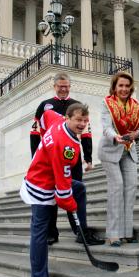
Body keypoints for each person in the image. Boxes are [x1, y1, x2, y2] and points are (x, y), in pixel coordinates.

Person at [30, 72, 103, 246]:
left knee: (75, 192)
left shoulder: (77, 106)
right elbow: (34, 133)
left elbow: (86, 132)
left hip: (72, 158)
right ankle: (51, 233)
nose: (63, 89)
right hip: (50, 159)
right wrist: (35, 158)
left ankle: (80, 231)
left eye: (66, 86)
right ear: (54, 86)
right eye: (60, 86)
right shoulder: (44, 106)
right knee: (50, 195)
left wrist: (88, 157)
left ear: (70, 87)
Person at [20, 103, 90, 277]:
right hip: (41, 185)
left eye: (85, 120)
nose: (82, 124)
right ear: (67, 118)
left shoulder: (56, 118)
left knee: (80, 188)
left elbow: (45, 114)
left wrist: (45, 141)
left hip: (46, 175)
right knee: (39, 233)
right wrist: (70, 204)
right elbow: (63, 188)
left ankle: (81, 230)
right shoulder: (66, 147)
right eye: (78, 120)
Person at [97, 71, 139, 247]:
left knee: (130, 189)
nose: (124, 89)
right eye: (120, 85)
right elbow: (106, 127)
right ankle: (113, 234)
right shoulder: (107, 103)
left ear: (131, 87)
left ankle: (126, 232)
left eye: (126, 86)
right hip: (110, 150)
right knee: (116, 188)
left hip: (129, 151)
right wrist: (115, 137)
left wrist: (137, 134)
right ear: (115, 87)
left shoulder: (136, 106)